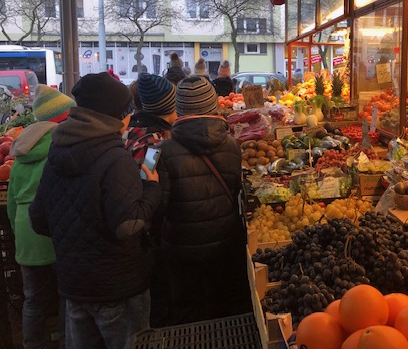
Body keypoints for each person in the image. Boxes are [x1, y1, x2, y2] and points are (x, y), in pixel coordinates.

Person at [29, 72, 162, 349]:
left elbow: (38, 220)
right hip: (117, 286)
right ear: (117, 115)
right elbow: (128, 225)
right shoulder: (115, 158)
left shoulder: (56, 151)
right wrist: (152, 189)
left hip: (73, 286)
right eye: (128, 111)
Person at [156, 76, 252, 325]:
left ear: (179, 110)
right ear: (213, 106)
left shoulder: (163, 152)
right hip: (224, 244)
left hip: (182, 251)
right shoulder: (232, 146)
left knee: (189, 315)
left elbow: (159, 206)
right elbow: (234, 190)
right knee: (224, 310)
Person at [7, 85, 75, 349]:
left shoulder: (21, 151)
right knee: (66, 296)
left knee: (33, 300)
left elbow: (12, 203)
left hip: (27, 234)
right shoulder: (64, 145)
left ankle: (33, 344)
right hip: (56, 229)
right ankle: (68, 343)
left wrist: (18, 233)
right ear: (64, 118)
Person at [123, 73, 177, 328]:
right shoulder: (153, 142)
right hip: (149, 228)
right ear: (166, 108)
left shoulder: (133, 130)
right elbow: (149, 180)